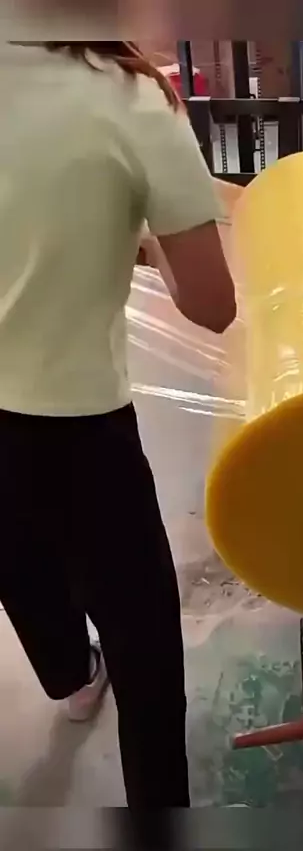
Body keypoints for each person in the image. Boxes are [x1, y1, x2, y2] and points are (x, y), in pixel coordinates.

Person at [0, 40, 237, 809]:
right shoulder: (131, 98)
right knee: (146, 653)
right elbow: (212, 303)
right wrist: (144, 244)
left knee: (19, 562)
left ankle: (73, 680)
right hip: (76, 433)